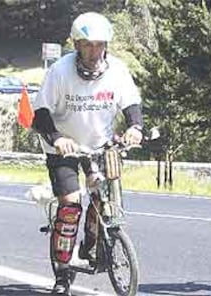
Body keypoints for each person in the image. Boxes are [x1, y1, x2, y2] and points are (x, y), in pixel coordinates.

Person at [32, 12, 143, 296]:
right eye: (88, 45)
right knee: (70, 207)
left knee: (101, 199)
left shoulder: (116, 70)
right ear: (77, 44)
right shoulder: (59, 71)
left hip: (99, 145)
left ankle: (93, 245)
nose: (95, 51)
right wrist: (57, 138)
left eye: (100, 44)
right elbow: (40, 115)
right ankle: (63, 272)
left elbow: (130, 103)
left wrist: (135, 127)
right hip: (64, 148)